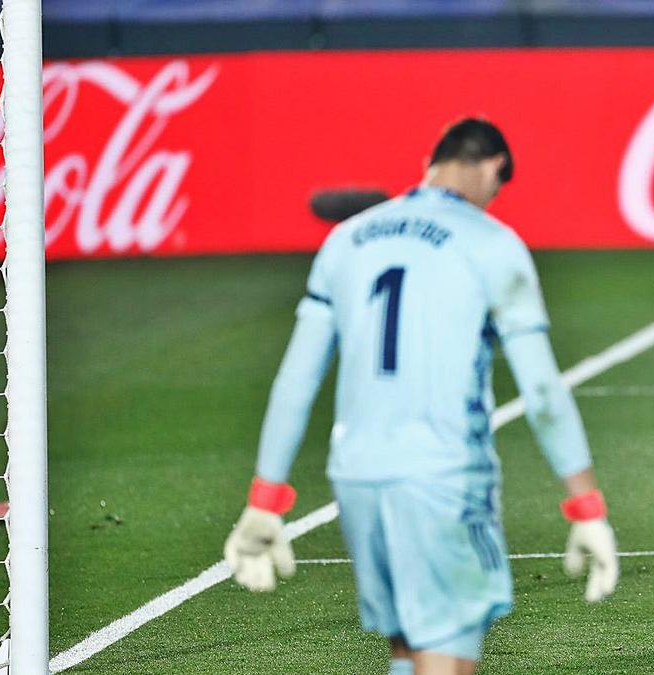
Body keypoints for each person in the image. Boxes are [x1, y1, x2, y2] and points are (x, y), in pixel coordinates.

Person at [221, 118, 619, 675]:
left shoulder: (347, 239)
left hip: (357, 476)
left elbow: (296, 380)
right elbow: (543, 392)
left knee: (405, 648)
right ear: (493, 168)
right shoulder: (492, 243)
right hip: (443, 477)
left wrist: (264, 501)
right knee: (447, 659)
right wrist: (586, 507)